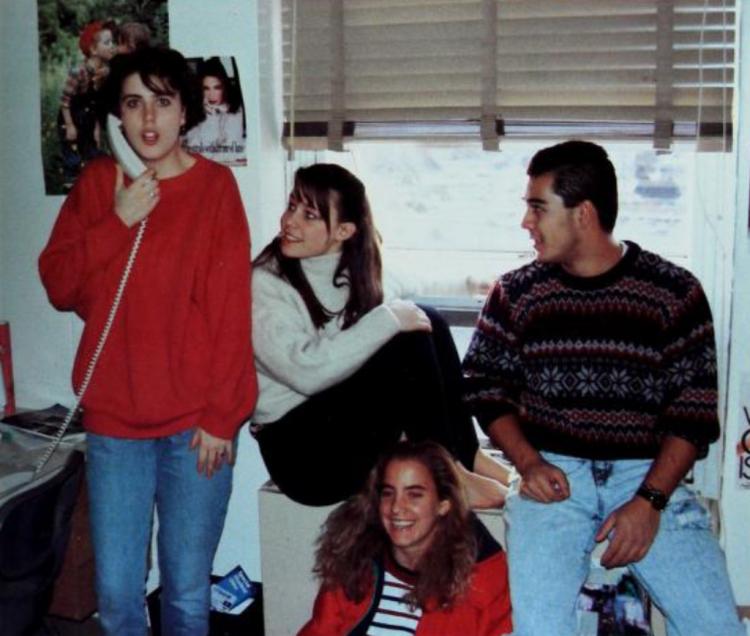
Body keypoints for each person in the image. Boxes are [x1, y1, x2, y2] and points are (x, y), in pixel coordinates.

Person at [462, 140, 744, 635]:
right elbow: (484, 387)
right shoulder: (516, 293)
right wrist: (527, 462)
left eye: (537, 207)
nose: (526, 222)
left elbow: (693, 416)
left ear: (583, 213)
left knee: (715, 626)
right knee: (540, 628)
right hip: (552, 474)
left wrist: (650, 503)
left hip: (647, 474)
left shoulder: (674, 293)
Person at [39, 46, 257, 636]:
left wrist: (221, 416)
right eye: (134, 104)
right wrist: (119, 220)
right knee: (116, 594)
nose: (149, 120)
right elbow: (59, 283)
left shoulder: (214, 191)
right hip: (114, 426)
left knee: (186, 593)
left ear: (185, 110)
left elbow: (231, 314)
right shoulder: (99, 185)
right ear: (119, 115)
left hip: (195, 429)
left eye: (162, 102)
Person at [251, 163, 510, 508]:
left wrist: (472, 283)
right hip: (301, 454)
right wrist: (387, 320)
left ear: (344, 231)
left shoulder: (358, 269)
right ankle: (447, 475)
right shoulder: (265, 284)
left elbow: (418, 282)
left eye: (308, 214)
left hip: (340, 433)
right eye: (292, 206)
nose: (289, 221)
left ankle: (467, 456)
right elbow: (306, 371)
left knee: (428, 319)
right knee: (403, 339)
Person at [298, 440, 512, 635]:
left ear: (443, 504)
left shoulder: (485, 581)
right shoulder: (356, 564)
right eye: (388, 493)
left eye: (414, 494)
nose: (396, 508)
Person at [58, 20, 118, 190]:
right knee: (72, 155)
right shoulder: (79, 71)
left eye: (112, 42)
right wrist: (69, 125)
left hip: (88, 117)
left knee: (91, 152)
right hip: (70, 116)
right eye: (107, 43)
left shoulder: (104, 70)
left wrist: (96, 127)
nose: (112, 46)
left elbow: (95, 103)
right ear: (93, 50)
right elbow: (65, 100)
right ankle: (70, 186)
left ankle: (91, 185)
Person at [184, 57, 245, 165]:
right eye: (206, 88)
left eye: (217, 87)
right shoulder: (196, 108)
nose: (211, 95)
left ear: (224, 87)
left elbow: (232, 149)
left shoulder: (234, 107)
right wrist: (210, 118)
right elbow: (192, 148)